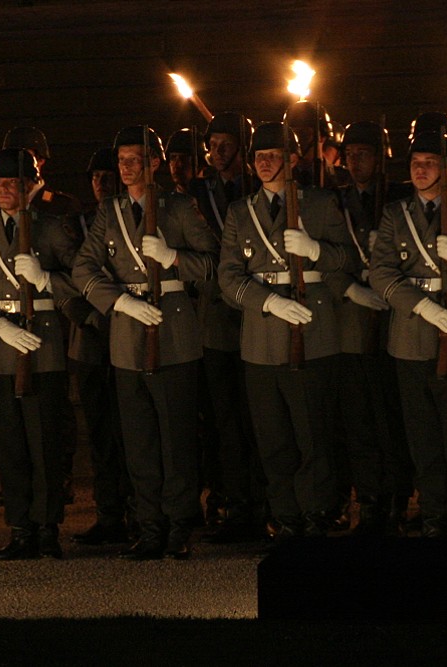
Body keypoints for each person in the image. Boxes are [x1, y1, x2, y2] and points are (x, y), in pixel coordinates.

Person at [73, 125, 220, 560]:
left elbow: (212, 263)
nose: (127, 168)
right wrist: (117, 301)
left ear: (154, 163)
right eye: (122, 161)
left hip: (173, 330)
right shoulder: (110, 211)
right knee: (139, 439)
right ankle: (149, 524)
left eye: (135, 159)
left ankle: (178, 525)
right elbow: (84, 268)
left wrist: (174, 259)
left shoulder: (177, 207)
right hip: (127, 333)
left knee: (175, 437)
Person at [218, 122, 359, 541]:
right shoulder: (240, 212)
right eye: (259, 157)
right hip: (262, 338)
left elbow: (347, 258)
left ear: (293, 160)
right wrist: (267, 301)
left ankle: (318, 512)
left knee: (313, 433)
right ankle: (285, 516)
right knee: (273, 437)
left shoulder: (318, 204)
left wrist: (315, 250)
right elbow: (228, 276)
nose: (264, 164)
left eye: (273, 156)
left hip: (313, 333)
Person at [370, 130, 447, 537]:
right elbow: (382, 271)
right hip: (411, 331)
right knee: (421, 431)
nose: (420, 170)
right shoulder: (396, 213)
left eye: (429, 163)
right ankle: (432, 509)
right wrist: (420, 304)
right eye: (415, 164)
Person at [0, 148, 79, 560]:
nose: (4, 190)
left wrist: (46, 279)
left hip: (43, 344)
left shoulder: (53, 228)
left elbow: (81, 282)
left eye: (12, 183)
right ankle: (21, 527)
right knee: (8, 442)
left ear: (30, 186)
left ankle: (47, 527)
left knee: (43, 440)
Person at [187, 112, 266, 543]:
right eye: (212, 143)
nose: (217, 151)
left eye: (226, 143)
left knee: (260, 416)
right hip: (216, 317)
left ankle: (265, 501)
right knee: (224, 419)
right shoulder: (197, 192)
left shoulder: (256, 189)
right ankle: (234, 501)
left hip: (255, 312)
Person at [331, 122, 413, 535]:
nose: (356, 160)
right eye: (351, 154)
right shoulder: (335, 200)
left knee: (391, 416)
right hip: (350, 322)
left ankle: (397, 497)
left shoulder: (398, 199)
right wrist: (349, 288)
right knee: (358, 418)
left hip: (392, 319)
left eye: (364, 153)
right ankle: (369, 499)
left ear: (380, 158)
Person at [2, 125, 83, 503]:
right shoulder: (2, 208)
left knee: (55, 402)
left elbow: (76, 268)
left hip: (56, 313)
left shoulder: (59, 206)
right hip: (15, 316)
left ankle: (59, 473)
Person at [69, 147, 133, 546]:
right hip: (90, 339)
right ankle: (109, 511)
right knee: (100, 434)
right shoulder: (76, 223)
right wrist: (87, 315)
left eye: (108, 176)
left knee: (134, 430)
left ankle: (141, 511)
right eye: (95, 177)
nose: (101, 183)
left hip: (129, 330)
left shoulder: (132, 218)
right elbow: (69, 276)